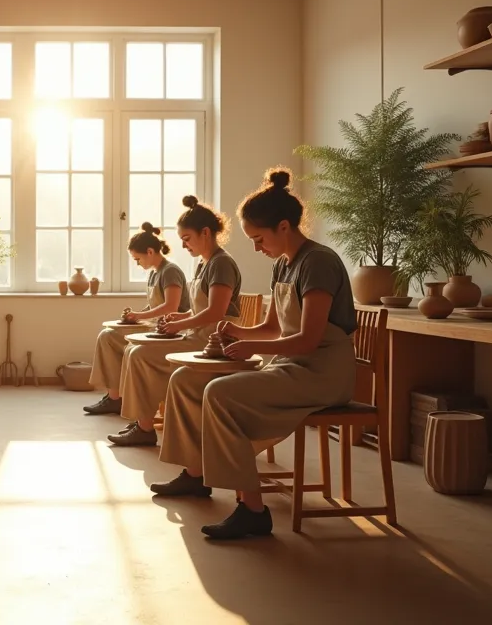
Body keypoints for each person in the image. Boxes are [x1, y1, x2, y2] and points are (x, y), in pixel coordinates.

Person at [151, 167, 357, 541]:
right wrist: (236, 331)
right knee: (185, 380)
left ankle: (253, 511)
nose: (256, 248)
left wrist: (251, 347)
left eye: (258, 238)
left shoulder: (319, 262)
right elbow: (272, 328)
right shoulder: (283, 264)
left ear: (284, 226)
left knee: (219, 394)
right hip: (289, 364)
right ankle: (196, 474)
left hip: (321, 374)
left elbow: (308, 339)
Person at [109, 196, 243, 447]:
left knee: (140, 355)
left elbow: (216, 312)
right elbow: (200, 309)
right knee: (136, 351)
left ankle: (144, 427)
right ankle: (143, 422)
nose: (183, 246)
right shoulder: (204, 264)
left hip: (214, 343)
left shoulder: (221, 263)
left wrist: (180, 324)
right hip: (198, 336)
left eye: (187, 239)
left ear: (205, 233)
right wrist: (181, 316)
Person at [84, 222, 190, 416]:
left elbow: (171, 307)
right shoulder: (154, 274)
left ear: (150, 252)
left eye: (137, 259)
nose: (137, 263)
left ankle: (129, 403)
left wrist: (140, 316)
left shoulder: (170, 271)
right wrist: (135, 315)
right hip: (154, 328)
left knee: (125, 345)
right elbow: (155, 306)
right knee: (107, 336)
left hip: (174, 331)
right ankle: (114, 397)